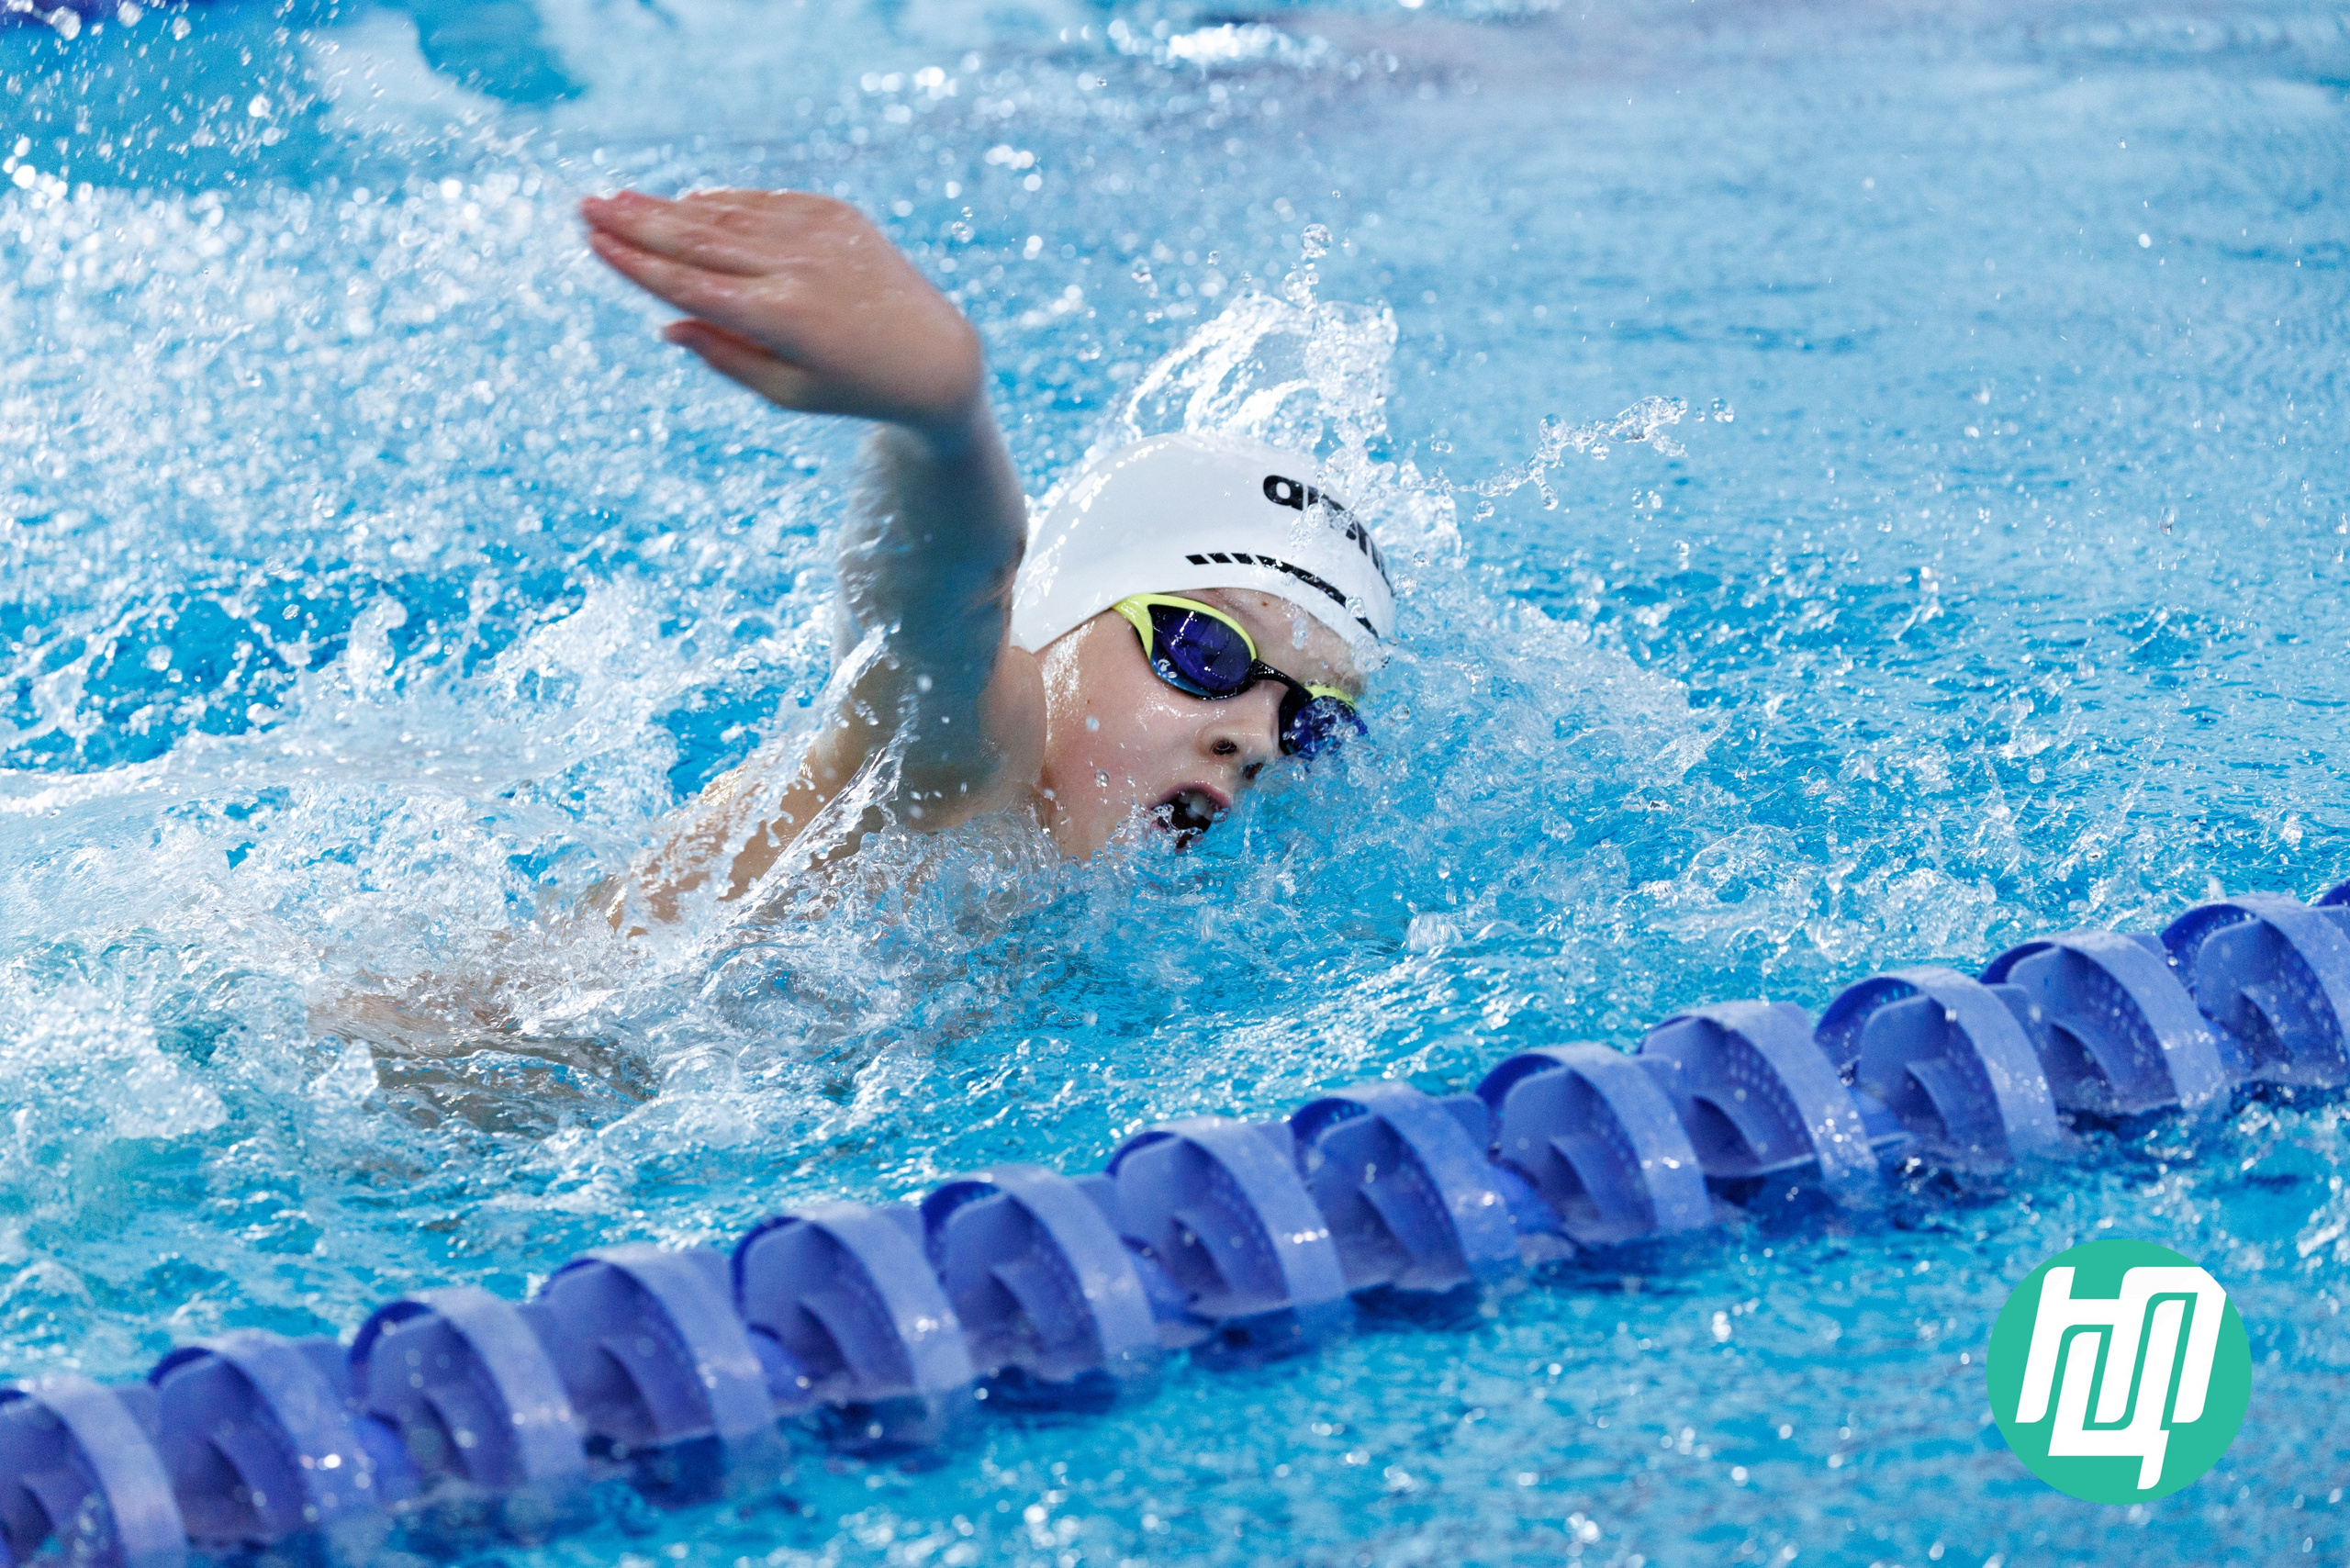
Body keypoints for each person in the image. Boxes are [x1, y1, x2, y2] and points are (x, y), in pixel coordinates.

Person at [576, 188, 1398, 925]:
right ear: (1058, 616)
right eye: (1206, 651)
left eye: (1312, 721)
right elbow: (936, 613)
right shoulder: (958, 770)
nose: (1258, 740)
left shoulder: (1080, 895)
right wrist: (942, 426)